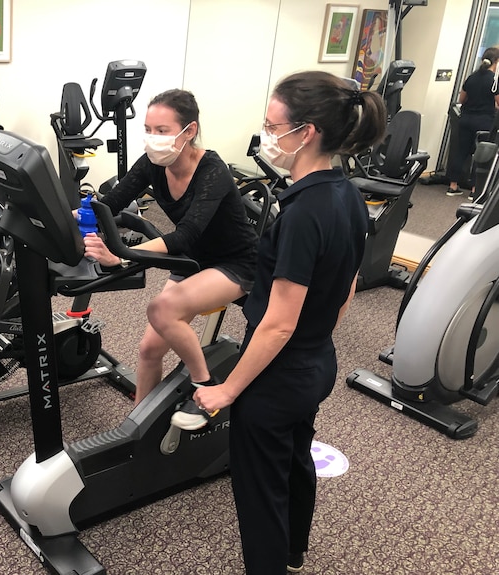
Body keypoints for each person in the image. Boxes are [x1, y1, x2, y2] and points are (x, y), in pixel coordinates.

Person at [176, 71, 385, 575]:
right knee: (294, 461)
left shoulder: (301, 214)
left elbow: (277, 325)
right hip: (316, 364)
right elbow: (347, 287)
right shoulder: (348, 196)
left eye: (273, 127)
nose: (266, 136)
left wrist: (226, 392)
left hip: (278, 376)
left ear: (306, 132)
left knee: (259, 491)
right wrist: (314, 344)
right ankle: (294, 552)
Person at [82, 89, 257, 406]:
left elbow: (185, 235)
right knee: (149, 350)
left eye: (162, 131)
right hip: (193, 260)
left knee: (161, 310)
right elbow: (111, 204)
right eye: (148, 130)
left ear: (189, 131)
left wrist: (121, 256)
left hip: (236, 263)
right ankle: (136, 432)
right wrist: (69, 216)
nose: (152, 139)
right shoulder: (153, 163)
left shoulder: (213, 171)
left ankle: (203, 385)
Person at [446, 46, 499, 198]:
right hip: (484, 122)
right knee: (481, 155)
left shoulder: (472, 77)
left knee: (460, 151)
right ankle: (475, 190)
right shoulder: (493, 81)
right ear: (496, 62)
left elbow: (462, 99)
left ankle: (453, 186)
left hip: (466, 120)